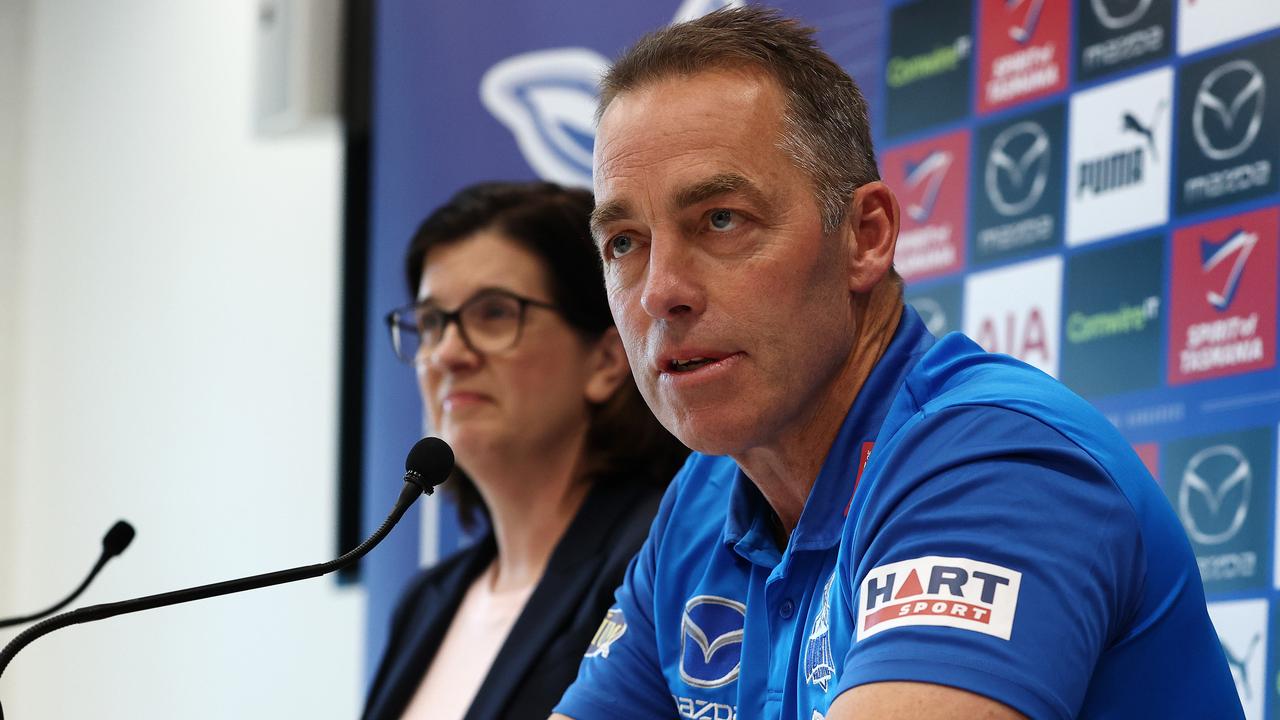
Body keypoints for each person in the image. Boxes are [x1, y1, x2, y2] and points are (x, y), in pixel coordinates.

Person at [552, 8, 1242, 720]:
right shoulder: (701, 505)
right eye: (625, 243)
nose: (661, 291)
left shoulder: (997, 465)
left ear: (866, 237)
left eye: (722, 220)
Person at [363, 181, 687, 720]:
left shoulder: (657, 556)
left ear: (607, 360)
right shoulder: (425, 602)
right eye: (432, 323)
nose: (447, 353)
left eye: (493, 313)